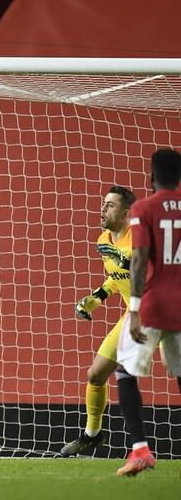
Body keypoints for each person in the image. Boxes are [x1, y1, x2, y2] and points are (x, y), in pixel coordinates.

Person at [114, 148, 181, 477]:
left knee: (124, 371)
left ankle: (140, 450)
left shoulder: (144, 208)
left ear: (151, 177)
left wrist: (136, 309)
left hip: (153, 305)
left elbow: (139, 259)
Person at [60, 186, 136, 457]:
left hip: (164, 314)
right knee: (95, 374)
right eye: (104, 204)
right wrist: (94, 299)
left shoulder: (140, 239)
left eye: (111, 205)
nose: (103, 209)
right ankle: (91, 436)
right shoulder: (103, 240)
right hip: (134, 314)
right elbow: (116, 279)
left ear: (126, 214)